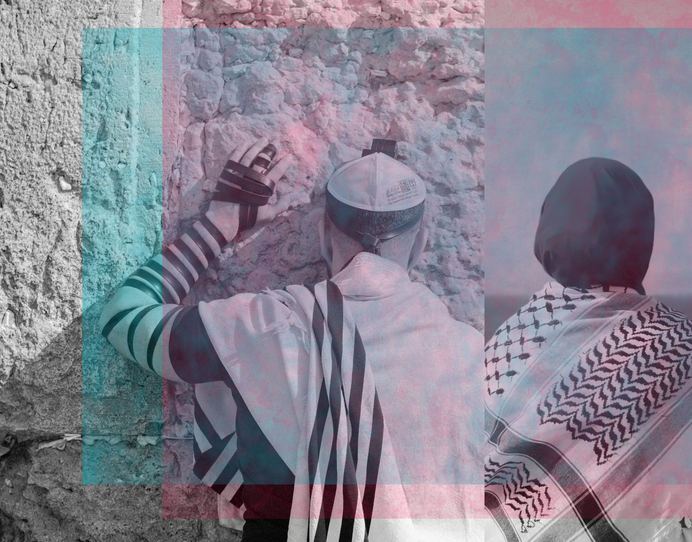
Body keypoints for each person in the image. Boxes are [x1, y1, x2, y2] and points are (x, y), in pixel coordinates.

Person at [99, 138, 484, 541]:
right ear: (421, 246)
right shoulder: (473, 358)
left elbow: (124, 316)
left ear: (322, 237)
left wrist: (216, 227)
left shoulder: (263, 326)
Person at [483, 158, 692, 542]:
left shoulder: (520, 328)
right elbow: (691, 497)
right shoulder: (685, 347)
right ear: (642, 239)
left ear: (549, 233)